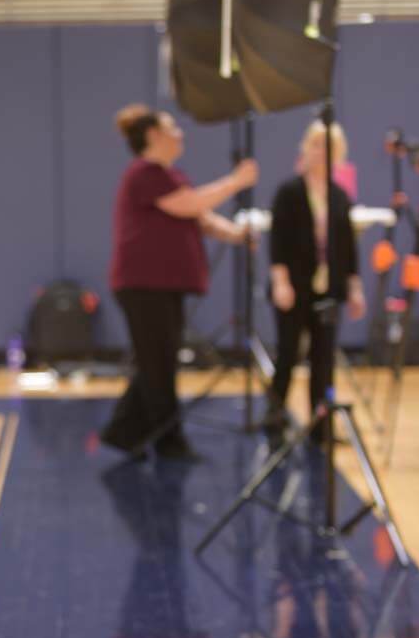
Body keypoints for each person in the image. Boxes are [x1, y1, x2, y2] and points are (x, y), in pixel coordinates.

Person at [102, 103, 258, 460]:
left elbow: (200, 216)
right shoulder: (145, 173)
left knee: (156, 360)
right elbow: (189, 205)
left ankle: (124, 434)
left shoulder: (168, 176)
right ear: (154, 135)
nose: (180, 134)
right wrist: (236, 181)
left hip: (160, 287)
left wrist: (236, 234)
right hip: (144, 286)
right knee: (158, 363)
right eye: (173, 128)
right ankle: (167, 442)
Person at [266, 119, 366, 441]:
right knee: (288, 352)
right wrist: (281, 282)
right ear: (306, 148)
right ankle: (275, 414)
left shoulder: (339, 196)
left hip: (330, 289)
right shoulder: (289, 192)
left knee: (323, 359)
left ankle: (320, 424)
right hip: (295, 286)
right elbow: (278, 242)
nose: (322, 152)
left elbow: (348, 248)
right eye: (317, 145)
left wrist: (354, 289)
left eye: (330, 147)